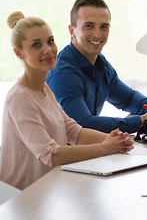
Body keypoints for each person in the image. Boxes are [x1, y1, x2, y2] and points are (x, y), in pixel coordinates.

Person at [0, 12, 134, 190]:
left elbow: (73, 131)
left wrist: (113, 141)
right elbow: (52, 155)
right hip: (21, 199)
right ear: (19, 53)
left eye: (50, 41)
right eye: (36, 45)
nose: (48, 49)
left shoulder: (44, 89)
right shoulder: (19, 98)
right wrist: (106, 148)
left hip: (50, 191)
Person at [46, 0, 147, 133]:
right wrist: (143, 120)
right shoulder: (63, 74)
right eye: (89, 26)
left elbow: (129, 99)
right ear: (72, 30)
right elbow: (83, 125)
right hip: (64, 154)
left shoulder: (99, 62)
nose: (98, 34)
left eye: (104, 27)